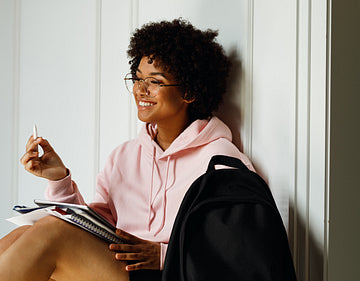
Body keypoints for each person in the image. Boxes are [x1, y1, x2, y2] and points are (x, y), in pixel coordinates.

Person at [0, 18, 254, 281]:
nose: (139, 90)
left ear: (189, 92)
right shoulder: (125, 156)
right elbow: (90, 228)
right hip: (121, 268)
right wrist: (59, 179)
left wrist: (164, 255)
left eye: (155, 82)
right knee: (23, 235)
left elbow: (240, 252)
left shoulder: (221, 162)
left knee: (52, 232)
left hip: (172, 273)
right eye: (138, 78)